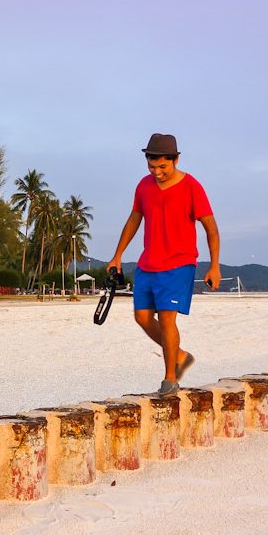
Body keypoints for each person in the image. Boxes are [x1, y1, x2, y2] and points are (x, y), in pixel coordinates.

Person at [108, 133, 221, 396]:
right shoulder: (143, 186)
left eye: (162, 167)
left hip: (179, 263)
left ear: (175, 160)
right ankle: (179, 354)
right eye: (151, 166)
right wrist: (117, 255)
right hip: (148, 263)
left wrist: (214, 265)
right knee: (142, 317)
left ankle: (170, 379)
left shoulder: (192, 186)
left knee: (167, 318)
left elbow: (211, 228)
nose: (157, 172)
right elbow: (134, 219)